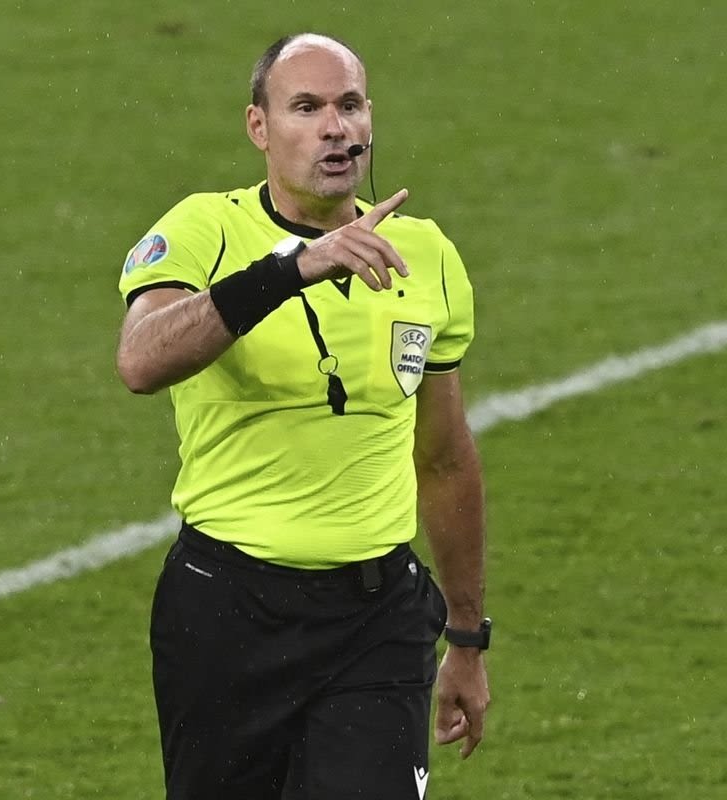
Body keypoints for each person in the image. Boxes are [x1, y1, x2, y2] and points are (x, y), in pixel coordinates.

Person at [116, 31, 489, 800]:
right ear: (259, 126)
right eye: (308, 107)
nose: (335, 128)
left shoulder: (425, 255)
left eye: (350, 105)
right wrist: (291, 268)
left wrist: (467, 636)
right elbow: (142, 361)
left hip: (376, 620)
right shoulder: (204, 229)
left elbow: (444, 458)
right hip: (226, 614)